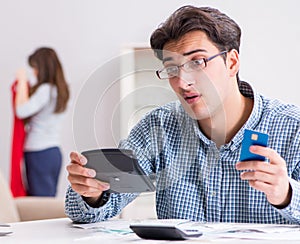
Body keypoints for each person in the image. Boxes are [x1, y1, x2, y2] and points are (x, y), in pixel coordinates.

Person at [65, 5, 300, 224]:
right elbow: (89, 211)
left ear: (232, 62)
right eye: (171, 68)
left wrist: (287, 194)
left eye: (197, 62)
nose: (182, 82)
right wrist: (92, 193)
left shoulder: (293, 129)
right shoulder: (157, 128)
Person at [15, 47, 70, 196]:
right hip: (53, 152)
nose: (34, 72)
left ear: (42, 67)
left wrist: (21, 82)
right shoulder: (61, 90)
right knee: (48, 200)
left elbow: (20, 111)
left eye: (35, 68)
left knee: (40, 202)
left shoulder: (45, 89)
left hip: (38, 152)